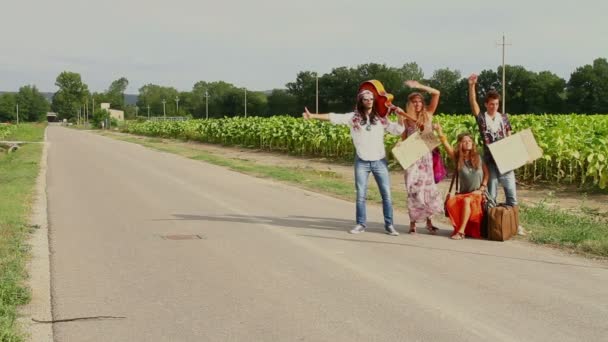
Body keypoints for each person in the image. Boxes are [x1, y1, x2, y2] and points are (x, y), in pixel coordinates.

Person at [302, 89, 406, 236]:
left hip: (379, 161)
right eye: (365, 99)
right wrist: (312, 116)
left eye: (371, 99)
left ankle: (389, 225)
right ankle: (360, 224)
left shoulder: (381, 118)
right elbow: (333, 117)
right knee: (360, 195)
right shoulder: (353, 118)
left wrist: (400, 117)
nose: (369, 101)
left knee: (386, 195)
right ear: (361, 101)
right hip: (362, 161)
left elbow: (398, 130)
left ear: (374, 101)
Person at [468, 74, 525, 235]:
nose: (494, 106)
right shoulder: (482, 119)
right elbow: (473, 104)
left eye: (496, 104)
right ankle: (490, 226)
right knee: (491, 196)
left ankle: (514, 224)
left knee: (511, 194)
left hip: (505, 162)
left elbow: (510, 136)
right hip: (490, 162)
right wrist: (472, 86)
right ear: (486, 104)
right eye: (491, 104)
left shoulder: (504, 118)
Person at [400, 81, 444, 234]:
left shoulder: (428, 115)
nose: (417, 104)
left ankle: (429, 221)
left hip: (426, 159)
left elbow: (436, 93)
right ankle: (413, 222)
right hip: (413, 160)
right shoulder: (406, 120)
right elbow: (403, 138)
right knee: (413, 190)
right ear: (409, 104)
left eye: (419, 101)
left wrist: (419, 86)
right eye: (414, 102)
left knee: (428, 189)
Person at [435, 124, 489, 240]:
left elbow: (486, 174)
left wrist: (482, 188)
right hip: (464, 193)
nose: (468, 143)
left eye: (469, 141)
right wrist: (439, 131)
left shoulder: (479, 157)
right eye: (464, 141)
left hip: (478, 194)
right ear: (460, 144)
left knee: (467, 200)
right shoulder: (457, 158)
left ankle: (461, 232)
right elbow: (446, 144)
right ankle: (462, 228)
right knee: (452, 201)